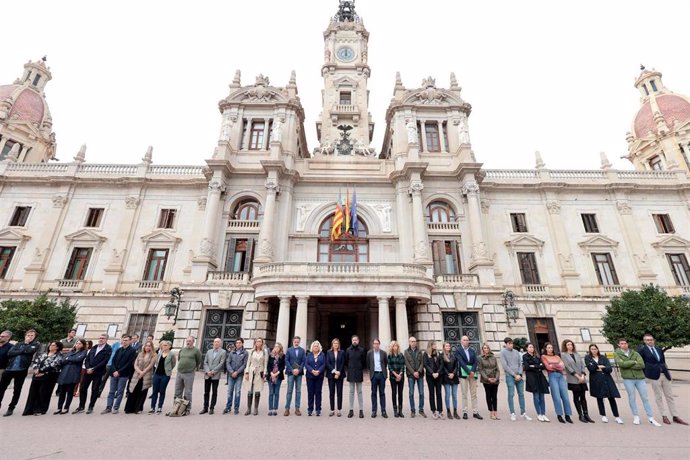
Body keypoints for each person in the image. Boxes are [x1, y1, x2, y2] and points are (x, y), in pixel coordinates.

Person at [638, 333, 688, 425]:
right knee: (658, 396)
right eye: (647, 340)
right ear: (644, 341)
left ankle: (675, 416)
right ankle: (664, 415)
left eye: (651, 339)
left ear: (653, 340)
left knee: (670, 396)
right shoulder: (642, 350)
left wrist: (668, 373)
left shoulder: (659, 349)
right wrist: (646, 373)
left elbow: (663, 362)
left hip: (665, 375)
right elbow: (641, 364)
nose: (650, 341)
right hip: (654, 376)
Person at [614, 338, 661, 426]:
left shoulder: (635, 353)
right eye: (622, 343)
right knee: (632, 398)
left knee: (645, 398)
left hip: (640, 378)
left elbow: (642, 365)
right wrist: (633, 362)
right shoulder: (616, 354)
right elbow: (622, 364)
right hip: (628, 379)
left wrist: (628, 364)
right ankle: (636, 416)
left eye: (625, 343)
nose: (624, 345)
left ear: (627, 344)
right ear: (619, 345)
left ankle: (650, 417)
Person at [0, 329, 40, 417]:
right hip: (9, 368)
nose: (29, 337)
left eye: (31, 335)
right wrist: (22, 350)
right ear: (25, 335)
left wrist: (23, 347)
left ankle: (11, 408)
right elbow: (10, 353)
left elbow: (30, 351)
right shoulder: (18, 344)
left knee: (17, 390)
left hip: (21, 370)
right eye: (28, 335)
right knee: (1, 388)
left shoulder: (35, 344)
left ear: (34, 337)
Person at [22, 341, 63, 416]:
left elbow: (54, 364)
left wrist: (41, 371)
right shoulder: (43, 354)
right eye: (50, 345)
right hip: (37, 375)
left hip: (49, 376)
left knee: (43, 393)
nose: (51, 346)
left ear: (57, 347)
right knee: (33, 392)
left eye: (53, 345)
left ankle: (40, 409)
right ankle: (29, 410)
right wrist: (36, 369)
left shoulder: (59, 356)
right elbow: (35, 361)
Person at [74, 334, 111, 414]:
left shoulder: (108, 349)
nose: (101, 339)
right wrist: (88, 368)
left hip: (98, 372)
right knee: (83, 388)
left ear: (106, 340)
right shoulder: (94, 347)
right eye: (100, 338)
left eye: (103, 338)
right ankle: (81, 406)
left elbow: (105, 361)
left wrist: (93, 368)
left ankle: (91, 406)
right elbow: (87, 359)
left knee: (95, 389)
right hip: (88, 371)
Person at [584, 344, 622, 424]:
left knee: (611, 397)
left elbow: (609, 369)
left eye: (595, 349)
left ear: (598, 349)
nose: (594, 350)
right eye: (592, 349)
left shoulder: (603, 358)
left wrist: (602, 367)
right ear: (590, 350)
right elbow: (591, 369)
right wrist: (601, 366)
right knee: (600, 397)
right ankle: (603, 415)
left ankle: (617, 416)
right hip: (596, 380)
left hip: (607, 379)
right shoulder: (588, 358)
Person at [103, 335, 136, 414]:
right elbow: (113, 360)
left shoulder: (132, 351)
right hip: (114, 373)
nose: (124, 341)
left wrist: (119, 371)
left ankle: (116, 407)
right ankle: (108, 407)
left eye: (126, 340)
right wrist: (114, 370)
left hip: (123, 374)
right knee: (111, 391)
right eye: (123, 340)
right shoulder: (119, 350)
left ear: (130, 341)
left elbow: (129, 363)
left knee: (120, 392)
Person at [561, 339, 593, 423]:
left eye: (571, 344)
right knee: (576, 396)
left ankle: (586, 414)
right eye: (568, 345)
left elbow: (582, 365)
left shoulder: (577, 354)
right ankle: (580, 415)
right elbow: (567, 367)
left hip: (582, 378)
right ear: (565, 346)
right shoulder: (563, 355)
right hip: (573, 379)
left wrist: (582, 375)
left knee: (583, 396)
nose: (570, 346)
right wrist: (577, 376)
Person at [500, 337, 531, 421]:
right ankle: (512, 413)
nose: (511, 345)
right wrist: (514, 375)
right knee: (511, 394)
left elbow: (520, 363)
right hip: (510, 376)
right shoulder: (503, 353)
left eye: (512, 343)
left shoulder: (516, 352)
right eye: (509, 343)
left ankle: (523, 413)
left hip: (519, 375)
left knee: (521, 394)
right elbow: (505, 366)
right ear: (506, 344)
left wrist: (520, 374)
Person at [541, 342, 573, 423]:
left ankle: (567, 415)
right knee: (556, 397)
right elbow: (548, 367)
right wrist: (556, 366)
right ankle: (559, 415)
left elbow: (562, 366)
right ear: (545, 349)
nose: (550, 349)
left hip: (561, 376)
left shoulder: (557, 356)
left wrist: (553, 366)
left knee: (565, 396)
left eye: (551, 347)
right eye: (548, 348)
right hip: (552, 376)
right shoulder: (544, 356)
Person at [55, 339, 87, 414]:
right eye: (77, 343)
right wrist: (69, 359)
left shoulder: (83, 352)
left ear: (83, 345)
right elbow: (63, 361)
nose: (78, 345)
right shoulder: (70, 351)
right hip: (65, 372)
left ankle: (66, 407)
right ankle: (59, 407)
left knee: (70, 392)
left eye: (80, 343)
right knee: (62, 391)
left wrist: (68, 359)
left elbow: (78, 359)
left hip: (74, 373)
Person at [173, 336, 202, 416]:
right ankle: (176, 408)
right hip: (180, 372)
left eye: (189, 341)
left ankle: (187, 409)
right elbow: (179, 359)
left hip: (189, 373)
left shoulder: (196, 351)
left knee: (188, 392)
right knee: (177, 391)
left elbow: (198, 361)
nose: (188, 342)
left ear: (193, 342)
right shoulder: (182, 350)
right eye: (187, 341)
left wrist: (192, 368)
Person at [125, 341, 156, 414]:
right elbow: (135, 364)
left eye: (149, 346)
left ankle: (138, 408)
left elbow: (150, 366)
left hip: (146, 375)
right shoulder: (140, 354)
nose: (147, 347)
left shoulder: (154, 355)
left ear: (151, 347)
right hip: (137, 375)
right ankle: (129, 408)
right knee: (133, 390)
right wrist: (139, 372)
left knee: (142, 392)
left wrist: (143, 373)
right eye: (146, 346)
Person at [456, 335, 482, 420]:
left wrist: (473, 371)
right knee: (464, 393)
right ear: (461, 341)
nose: (466, 341)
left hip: (472, 374)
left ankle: (475, 411)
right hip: (464, 374)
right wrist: (468, 371)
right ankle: (465, 412)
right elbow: (461, 362)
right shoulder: (458, 350)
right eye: (464, 340)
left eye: (467, 340)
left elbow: (475, 361)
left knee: (474, 394)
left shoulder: (472, 350)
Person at [523, 342, 550, 422]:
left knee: (542, 396)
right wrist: (537, 366)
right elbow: (527, 367)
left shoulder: (537, 356)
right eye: (530, 347)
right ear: (527, 348)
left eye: (532, 347)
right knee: (536, 396)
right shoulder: (525, 356)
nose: (532, 348)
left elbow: (543, 366)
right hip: (532, 378)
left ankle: (543, 414)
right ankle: (538, 414)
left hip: (540, 377)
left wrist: (534, 366)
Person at [200, 338, 226, 415]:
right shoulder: (209, 351)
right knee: (206, 392)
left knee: (214, 392)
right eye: (215, 342)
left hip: (215, 375)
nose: (216, 343)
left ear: (220, 344)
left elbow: (221, 363)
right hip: (207, 375)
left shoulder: (223, 352)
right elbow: (205, 362)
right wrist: (208, 371)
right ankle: (205, 408)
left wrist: (213, 371)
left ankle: (212, 408)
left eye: (217, 342)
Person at [150, 340, 176, 414]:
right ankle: (152, 407)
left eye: (165, 345)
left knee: (162, 390)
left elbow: (173, 363)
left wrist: (169, 370)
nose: (163, 347)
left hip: (165, 375)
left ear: (169, 346)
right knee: (154, 390)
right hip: (157, 374)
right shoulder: (159, 353)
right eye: (162, 345)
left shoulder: (172, 354)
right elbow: (156, 363)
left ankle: (159, 407)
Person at [223, 338, 247, 415]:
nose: (238, 344)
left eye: (239, 343)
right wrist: (232, 371)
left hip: (239, 375)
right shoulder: (231, 352)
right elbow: (228, 362)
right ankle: (228, 407)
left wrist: (237, 372)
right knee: (229, 392)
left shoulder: (245, 353)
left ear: (242, 343)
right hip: (231, 375)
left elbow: (244, 364)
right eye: (237, 343)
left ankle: (236, 408)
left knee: (237, 392)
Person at [345, 334, 366, 418]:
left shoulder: (361, 350)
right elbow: (346, 361)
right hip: (351, 372)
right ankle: (351, 410)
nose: (354, 341)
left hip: (359, 373)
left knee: (360, 392)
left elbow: (364, 361)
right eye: (353, 340)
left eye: (356, 340)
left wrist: (360, 368)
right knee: (351, 392)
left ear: (358, 341)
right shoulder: (348, 350)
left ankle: (361, 410)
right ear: (351, 341)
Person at [404, 336, 426, 418]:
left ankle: (421, 410)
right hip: (411, 375)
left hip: (420, 374)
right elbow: (407, 363)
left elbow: (422, 363)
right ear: (409, 342)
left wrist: (418, 371)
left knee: (421, 393)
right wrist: (413, 372)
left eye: (415, 341)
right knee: (411, 393)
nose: (414, 343)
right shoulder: (406, 352)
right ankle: (412, 410)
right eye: (412, 341)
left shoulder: (420, 351)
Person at [284, 336, 305, 416]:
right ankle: (287, 408)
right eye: (295, 341)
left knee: (298, 391)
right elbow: (286, 361)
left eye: (297, 342)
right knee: (289, 391)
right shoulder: (289, 350)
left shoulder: (302, 351)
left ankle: (297, 408)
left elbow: (304, 361)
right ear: (293, 342)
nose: (296, 343)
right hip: (290, 373)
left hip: (299, 373)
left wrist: (298, 370)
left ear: (299, 342)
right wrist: (292, 370)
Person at [244, 337, 266, 416]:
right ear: (255, 343)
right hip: (251, 371)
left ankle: (256, 408)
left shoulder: (264, 352)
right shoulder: (252, 351)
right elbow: (248, 362)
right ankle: (248, 408)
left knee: (257, 390)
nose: (258, 343)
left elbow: (265, 364)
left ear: (262, 343)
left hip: (260, 371)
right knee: (250, 390)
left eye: (260, 341)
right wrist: (246, 372)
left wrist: (264, 373)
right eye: (257, 341)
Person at [366, 338, 388, 418]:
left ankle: (383, 411)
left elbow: (385, 363)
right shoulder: (369, 353)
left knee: (382, 393)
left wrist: (384, 374)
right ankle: (374, 411)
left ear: (379, 344)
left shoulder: (383, 353)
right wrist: (372, 373)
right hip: (374, 375)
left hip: (381, 375)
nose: (376, 345)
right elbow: (368, 364)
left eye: (377, 343)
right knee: (374, 393)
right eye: (375, 343)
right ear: (373, 345)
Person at [478, 343, 500, 420]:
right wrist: (488, 378)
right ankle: (491, 412)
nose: (486, 349)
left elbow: (497, 369)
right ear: (482, 350)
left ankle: (495, 412)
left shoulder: (493, 357)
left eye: (487, 348)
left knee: (494, 396)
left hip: (495, 379)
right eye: (484, 348)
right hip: (486, 380)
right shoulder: (480, 358)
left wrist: (496, 378)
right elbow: (480, 370)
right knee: (488, 395)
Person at [424, 340, 444, 419]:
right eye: (434, 344)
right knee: (431, 393)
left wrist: (438, 373)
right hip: (430, 376)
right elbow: (426, 364)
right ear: (431, 345)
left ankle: (440, 411)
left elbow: (441, 364)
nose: (435, 345)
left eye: (435, 344)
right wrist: (432, 373)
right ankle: (433, 411)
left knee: (439, 393)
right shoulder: (426, 354)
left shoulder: (438, 353)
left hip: (438, 376)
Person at [326, 338, 345, 417]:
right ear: (332, 344)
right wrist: (334, 371)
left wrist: (339, 372)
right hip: (331, 375)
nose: (335, 345)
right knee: (331, 393)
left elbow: (343, 363)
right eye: (334, 343)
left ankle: (339, 410)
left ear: (339, 344)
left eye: (337, 343)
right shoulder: (328, 352)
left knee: (339, 393)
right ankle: (332, 410)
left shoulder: (342, 352)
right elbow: (328, 363)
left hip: (340, 375)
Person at [306, 340, 326, 416]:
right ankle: (310, 409)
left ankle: (318, 409)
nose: (316, 347)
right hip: (310, 376)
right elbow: (306, 364)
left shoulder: (322, 355)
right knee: (310, 393)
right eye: (314, 346)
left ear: (319, 347)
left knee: (318, 393)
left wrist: (319, 371)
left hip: (319, 376)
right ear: (312, 347)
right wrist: (312, 371)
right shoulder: (309, 355)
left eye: (317, 346)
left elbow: (324, 364)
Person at [441, 341, 460, 420]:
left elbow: (456, 365)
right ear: (444, 347)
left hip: (454, 377)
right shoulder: (442, 356)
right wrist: (448, 373)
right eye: (446, 346)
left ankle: (455, 411)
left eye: (449, 346)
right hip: (446, 377)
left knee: (454, 395)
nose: (448, 347)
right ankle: (448, 411)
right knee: (448, 395)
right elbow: (442, 366)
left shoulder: (454, 355)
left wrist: (453, 373)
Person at [387, 340, 405, 418]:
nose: (395, 347)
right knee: (394, 393)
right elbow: (389, 367)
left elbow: (403, 365)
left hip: (401, 376)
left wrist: (400, 374)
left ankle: (400, 410)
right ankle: (395, 410)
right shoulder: (389, 356)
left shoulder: (401, 355)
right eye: (394, 346)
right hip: (393, 376)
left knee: (400, 393)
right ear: (392, 347)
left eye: (396, 346)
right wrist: (395, 375)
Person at [267, 342, 285, 416]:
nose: (276, 348)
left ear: (280, 348)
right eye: (275, 346)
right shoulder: (270, 355)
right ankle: (270, 409)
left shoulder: (283, 356)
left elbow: (283, 366)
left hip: (278, 376)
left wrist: (277, 373)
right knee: (271, 393)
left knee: (276, 393)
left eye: (278, 347)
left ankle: (275, 409)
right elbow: (268, 365)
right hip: (270, 376)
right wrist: (271, 373)